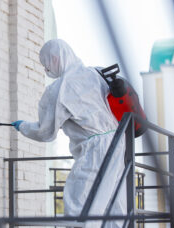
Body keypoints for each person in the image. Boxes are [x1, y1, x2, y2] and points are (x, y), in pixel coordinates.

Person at [12, 39, 126, 227]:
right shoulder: (95, 73)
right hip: (118, 142)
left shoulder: (59, 89)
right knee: (113, 205)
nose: (45, 70)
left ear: (55, 59)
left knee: (78, 203)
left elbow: (45, 132)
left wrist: (23, 126)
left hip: (95, 151)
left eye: (45, 64)